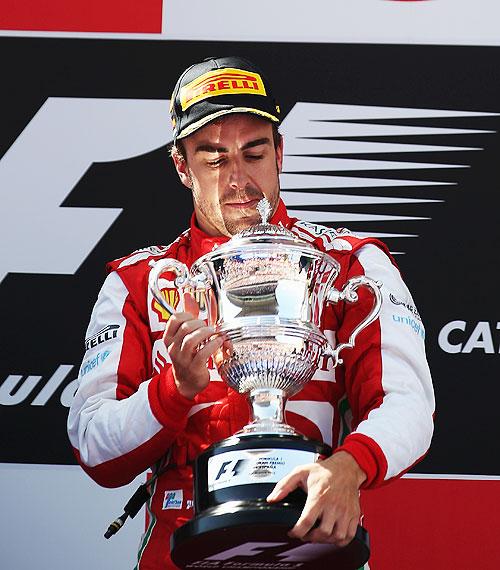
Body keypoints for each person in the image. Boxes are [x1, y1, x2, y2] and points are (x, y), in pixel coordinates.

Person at [67, 56, 434, 570]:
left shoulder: (351, 264)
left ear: (280, 153)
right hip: (181, 552)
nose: (238, 178)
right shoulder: (137, 282)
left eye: (254, 152)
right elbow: (94, 445)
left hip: (316, 543)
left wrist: (350, 467)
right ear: (181, 167)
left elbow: (409, 403)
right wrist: (175, 389)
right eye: (214, 159)